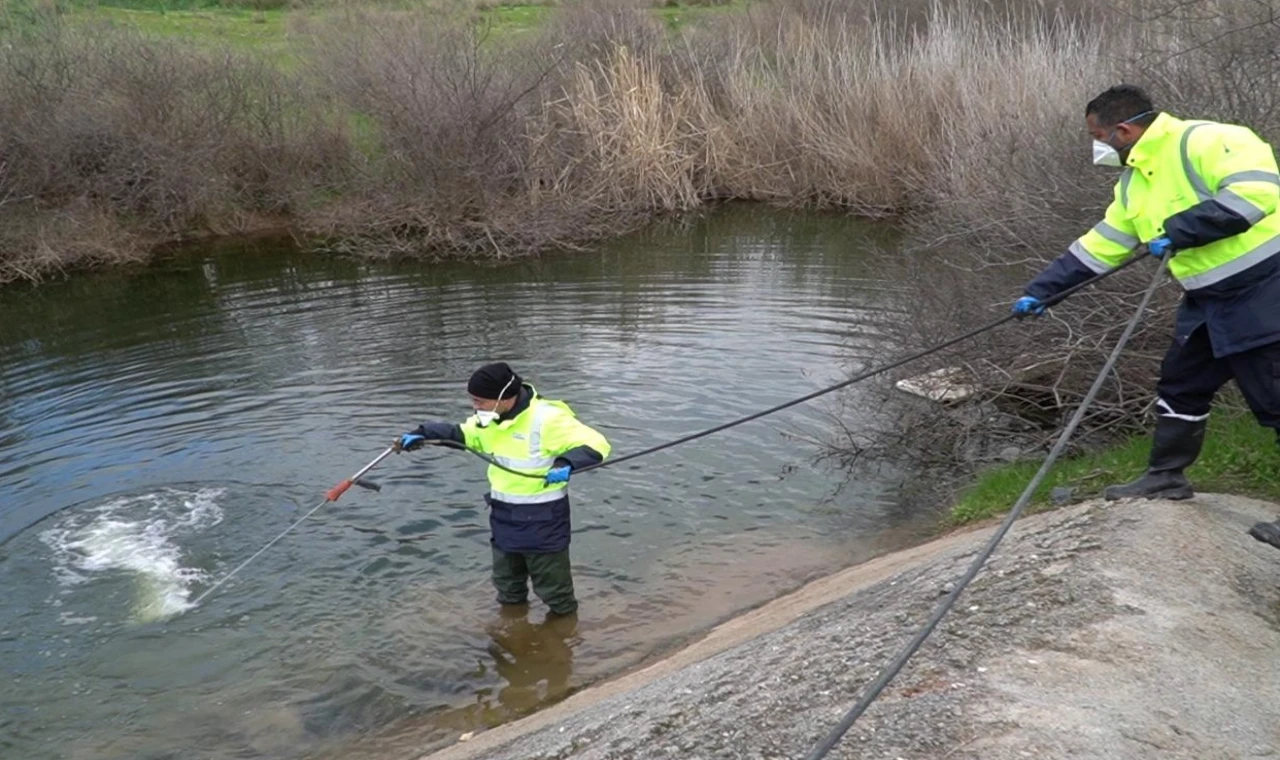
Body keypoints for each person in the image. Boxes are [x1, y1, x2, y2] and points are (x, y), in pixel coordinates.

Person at [1011, 84, 1280, 549]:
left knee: (1276, 400)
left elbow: (1257, 193)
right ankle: (1166, 476)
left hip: (1265, 292)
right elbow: (1103, 244)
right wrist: (1043, 292)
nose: (1097, 147)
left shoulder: (1207, 140)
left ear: (1124, 129)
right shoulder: (1134, 181)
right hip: (1207, 301)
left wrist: (1182, 230)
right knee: (1180, 385)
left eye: (1098, 136)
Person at [395, 362, 612, 614]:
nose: (475, 407)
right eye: (473, 400)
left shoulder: (547, 418)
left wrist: (566, 463)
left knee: (554, 590)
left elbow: (596, 443)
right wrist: (424, 433)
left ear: (504, 397)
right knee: (507, 586)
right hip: (503, 516)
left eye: (480, 401)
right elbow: (465, 434)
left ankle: (562, 640)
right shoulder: (490, 419)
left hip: (544, 520)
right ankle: (511, 630)